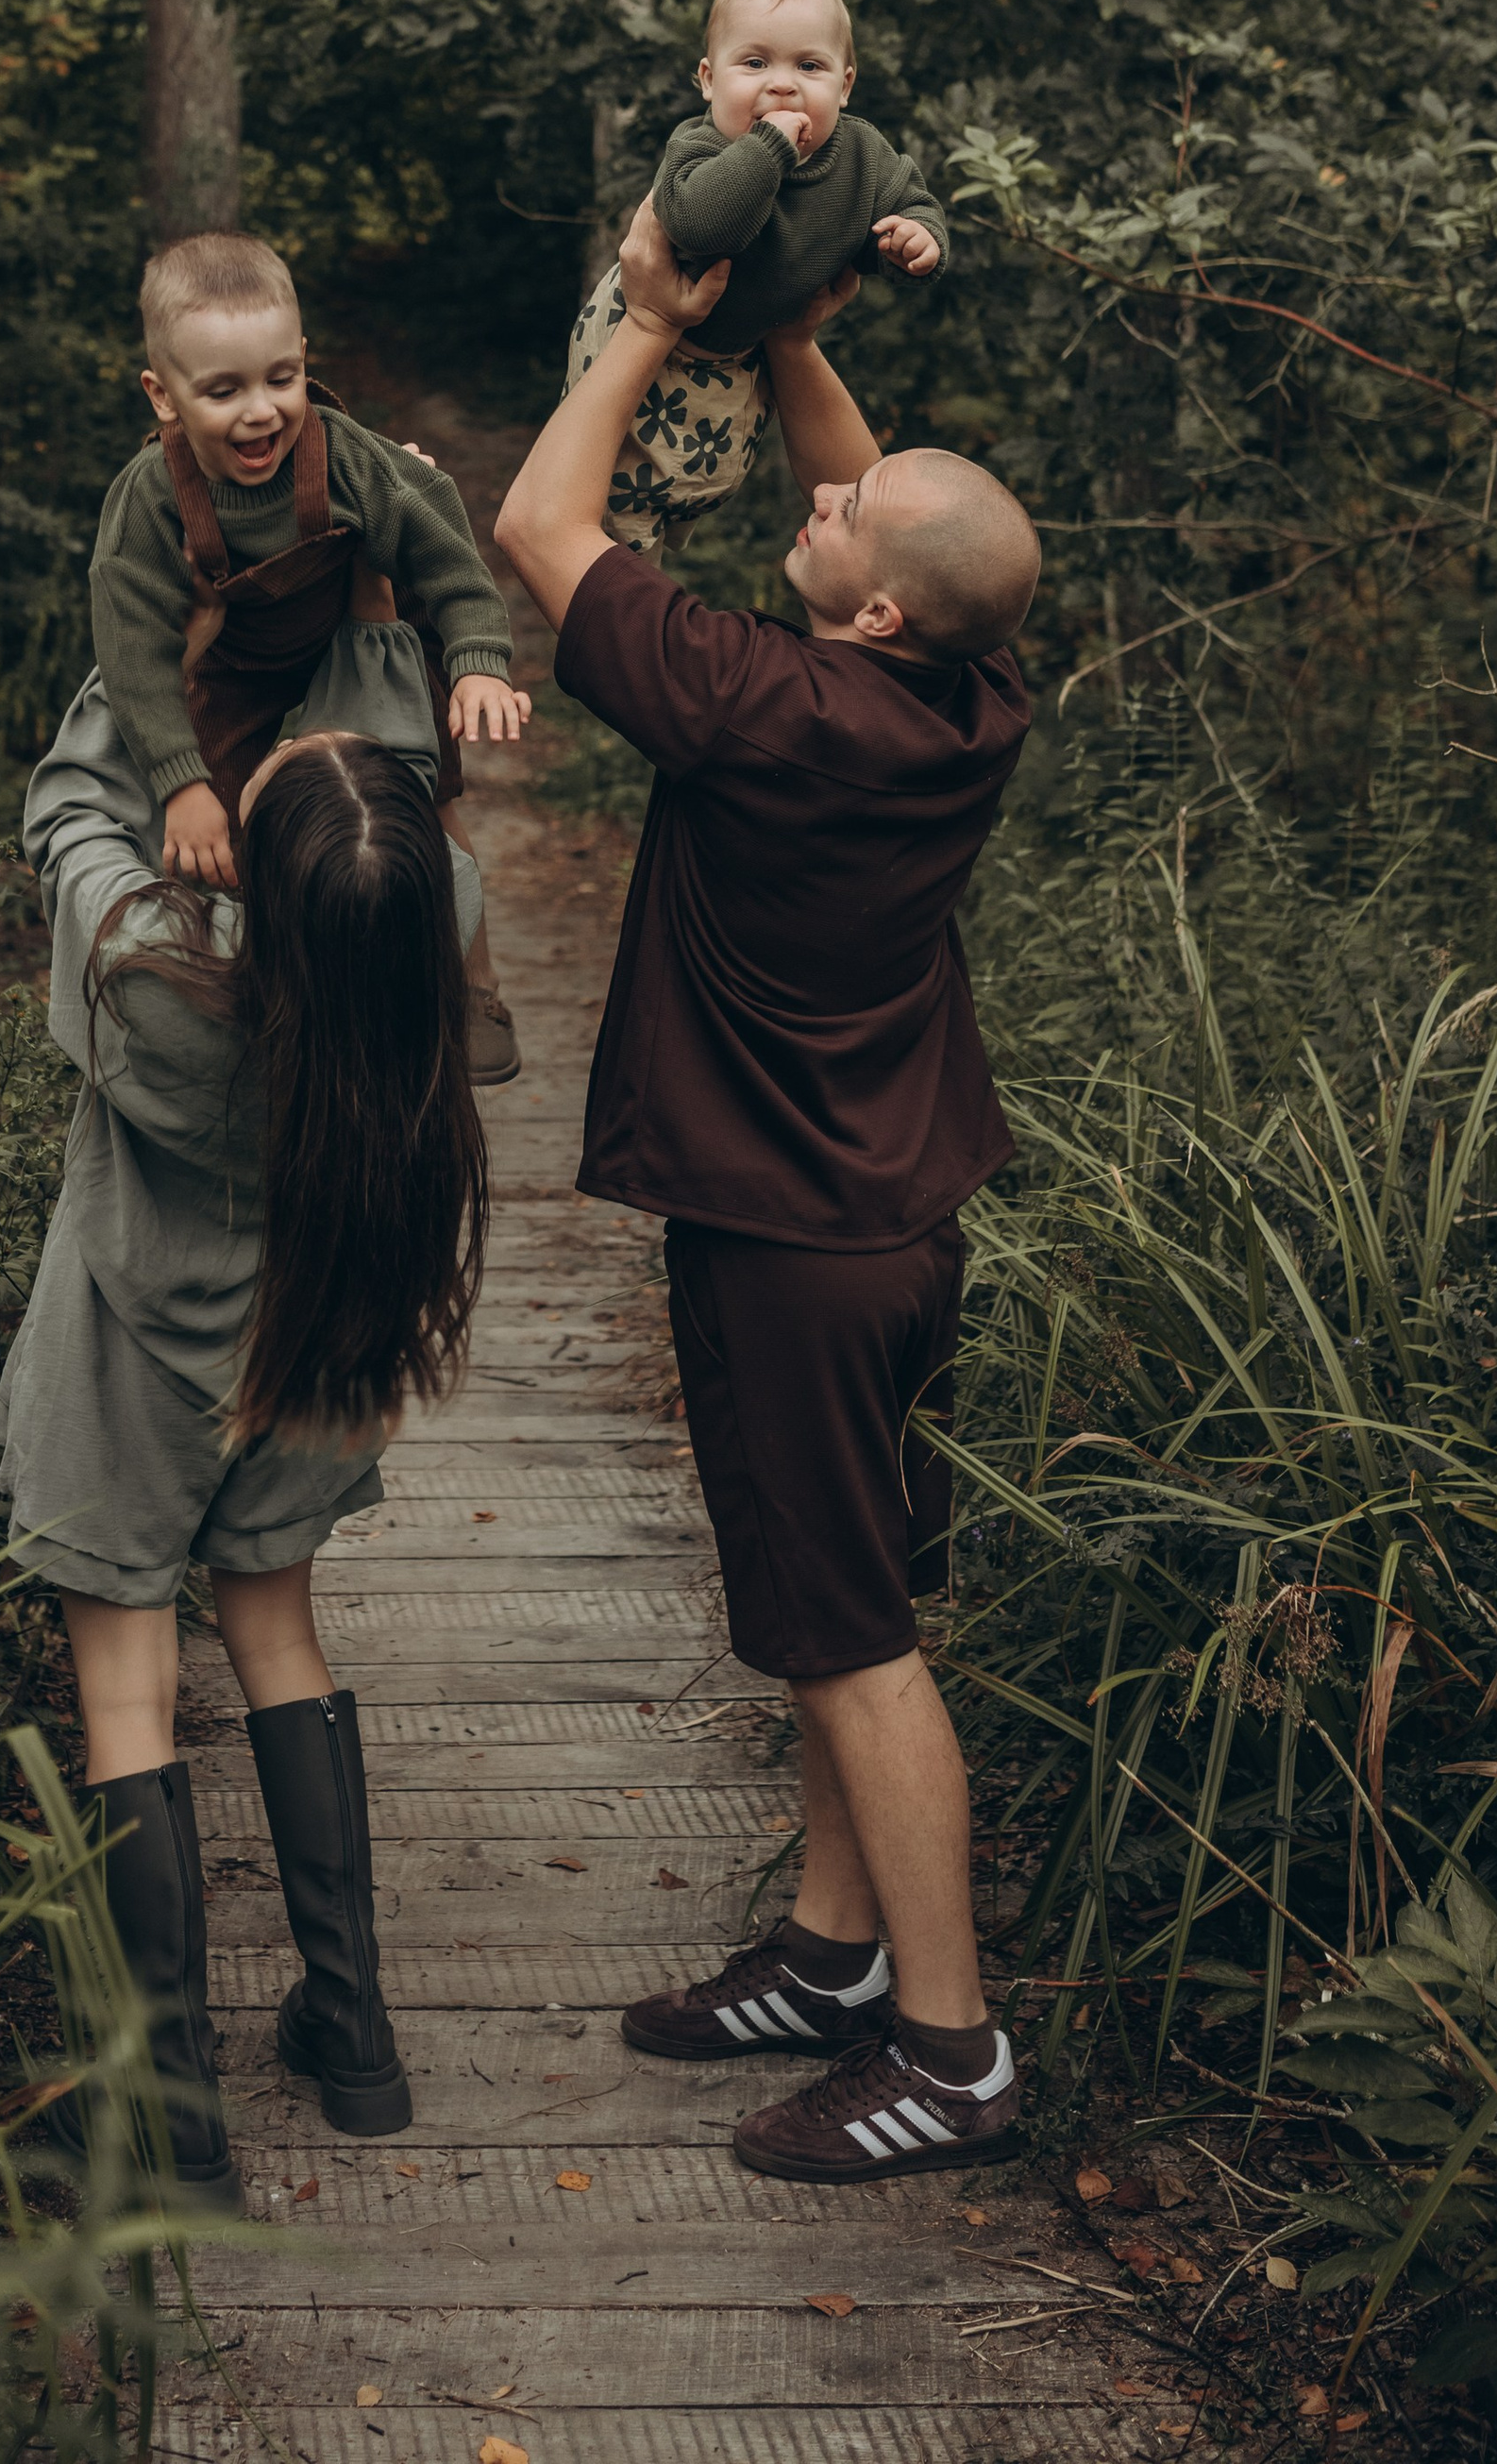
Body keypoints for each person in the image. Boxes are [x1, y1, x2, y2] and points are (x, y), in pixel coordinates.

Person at [496, 201, 1040, 2186]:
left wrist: (643, 328)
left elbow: (540, 535)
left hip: (795, 1251)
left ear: (867, 610)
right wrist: (798, 329)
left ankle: (948, 2048)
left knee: (846, 1640)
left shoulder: (762, 707)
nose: (817, 500)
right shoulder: (962, 701)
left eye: (841, 521)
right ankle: (829, 1957)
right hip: (896, 1220)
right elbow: (889, 519)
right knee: (855, 1590)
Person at [0, 626, 489, 2206]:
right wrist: (361, 610)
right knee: (278, 1632)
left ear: (250, 885)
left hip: (135, 1361)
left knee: (128, 1691)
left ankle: (167, 2117)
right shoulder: (427, 927)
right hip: (314, 1340)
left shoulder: (154, 967)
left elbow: (72, 806)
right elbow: (385, 799)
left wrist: (156, 636)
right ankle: (355, 2041)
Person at [91, 227, 530, 1081]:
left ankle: (471, 983)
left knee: (416, 794)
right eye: (223, 391)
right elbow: (132, 644)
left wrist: (479, 654)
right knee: (219, 837)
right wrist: (180, 783)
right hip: (238, 671)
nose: (262, 410)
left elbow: (446, 551)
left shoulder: (347, 458)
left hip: (355, 639)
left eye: (280, 378)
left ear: (303, 359)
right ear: (163, 395)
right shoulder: (152, 498)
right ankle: (283, 991)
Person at [563, 0, 949, 556]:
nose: (783, 84)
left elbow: (907, 204)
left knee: (701, 478)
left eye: (809, 66)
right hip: (642, 331)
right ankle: (608, 594)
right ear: (708, 80)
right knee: (615, 484)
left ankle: (662, 544)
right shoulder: (700, 147)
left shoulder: (862, 156)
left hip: (743, 354)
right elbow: (699, 227)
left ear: (845, 87)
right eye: (755, 63)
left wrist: (914, 241)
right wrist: (770, 148)